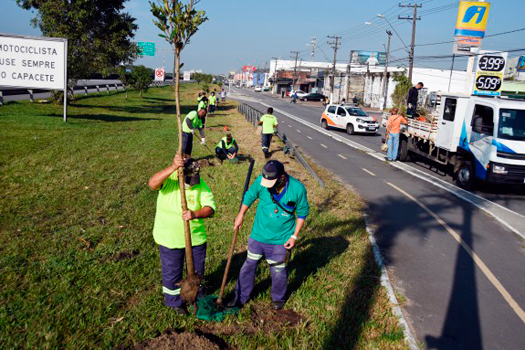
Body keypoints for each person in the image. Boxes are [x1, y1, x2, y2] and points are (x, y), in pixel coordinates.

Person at [230, 160, 309, 310]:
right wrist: (241, 215)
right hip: (258, 235)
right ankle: (240, 297)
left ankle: (278, 299)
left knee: (278, 270)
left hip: (281, 239)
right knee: (248, 266)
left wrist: (294, 236)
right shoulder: (261, 181)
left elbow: (302, 213)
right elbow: (249, 196)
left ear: (282, 177)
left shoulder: (297, 189)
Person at [148, 155, 216, 315]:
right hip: (169, 238)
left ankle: (196, 297)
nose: (191, 184)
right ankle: (174, 302)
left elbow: (210, 207)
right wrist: (172, 167)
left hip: (196, 239)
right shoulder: (169, 179)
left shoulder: (200, 185)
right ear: (179, 174)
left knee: (197, 273)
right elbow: (152, 183)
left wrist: (196, 213)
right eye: (188, 180)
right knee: (172, 272)